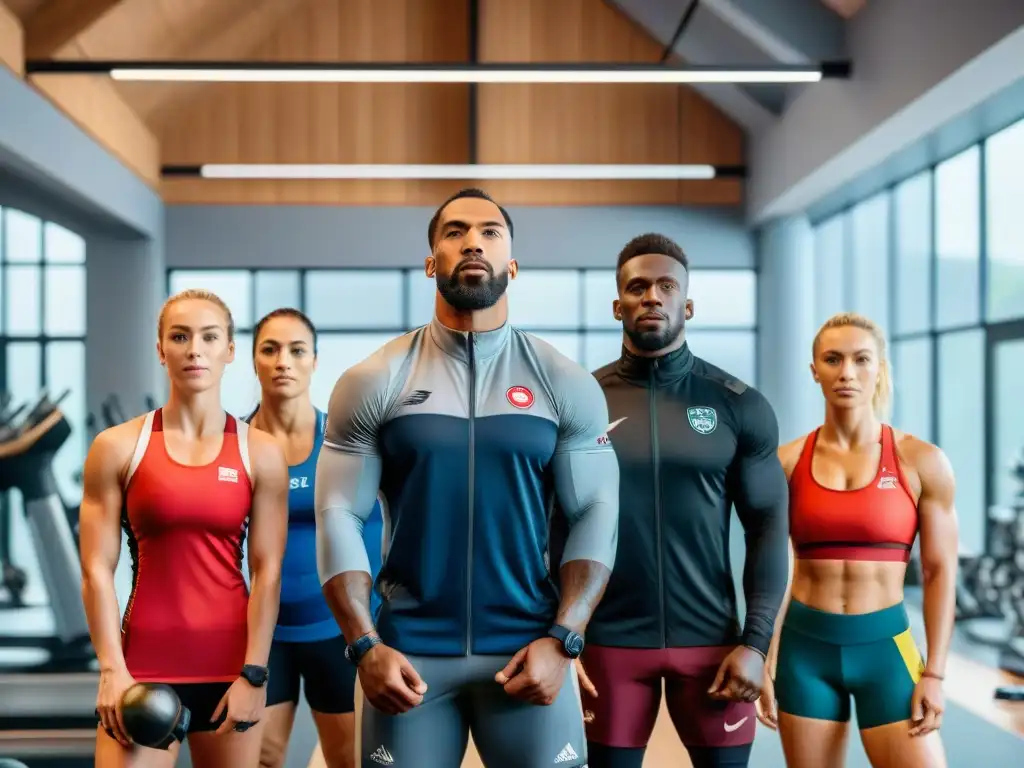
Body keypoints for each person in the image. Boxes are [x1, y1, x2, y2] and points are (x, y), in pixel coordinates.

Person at [314, 187, 619, 768]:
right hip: (408, 658)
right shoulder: (375, 380)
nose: (472, 241)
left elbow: (596, 513)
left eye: (489, 232)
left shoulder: (563, 382)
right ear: (432, 262)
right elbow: (337, 513)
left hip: (528, 650)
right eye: (454, 232)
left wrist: (564, 640)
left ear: (512, 264)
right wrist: (364, 645)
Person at [577, 234, 790, 768]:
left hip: (714, 648)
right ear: (617, 305)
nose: (652, 296)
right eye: (638, 286)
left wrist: (756, 644)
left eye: (666, 286)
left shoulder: (739, 405)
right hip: (607, 646)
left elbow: (766, 528)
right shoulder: (581, 402)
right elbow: (549, 524)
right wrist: (559, 633)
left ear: (687, 305)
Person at [80, 289, 289, 768]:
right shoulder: (116, 447)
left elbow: (268, 570)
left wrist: (254, 674)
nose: (194, 348)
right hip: (142, 671)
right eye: (180, 336)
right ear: (161, 349)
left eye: (209, 337)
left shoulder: (259, 452)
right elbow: (95, 567)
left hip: (230, 669)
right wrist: (112, 668)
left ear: (229, 350)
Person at [756, 312, 956, 768]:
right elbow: (772, 569)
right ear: (814, 369)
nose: (846, 372)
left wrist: (938, 673)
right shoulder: (785, 463)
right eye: (833, 359)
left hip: (886, 649)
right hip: (805, 652)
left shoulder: (921, 461)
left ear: (879, 368)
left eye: (861, 359)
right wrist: (763, 654)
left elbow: (938, 570)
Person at [245, 308, 385, 768]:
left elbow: (376, 525)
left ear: (314, 361)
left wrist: (377, 616)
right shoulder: (236, 446)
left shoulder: (341, 442)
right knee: (262, 757)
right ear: (253, 361)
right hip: (265, 634)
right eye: (270, 349)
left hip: (336, 629)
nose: (283, 360)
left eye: (296, 350)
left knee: (345, 758)